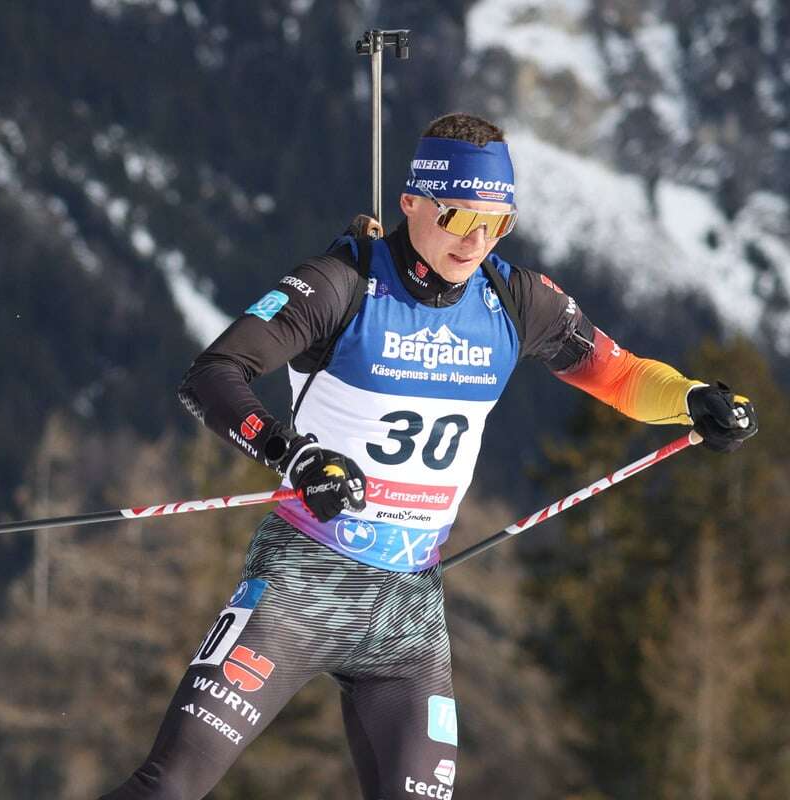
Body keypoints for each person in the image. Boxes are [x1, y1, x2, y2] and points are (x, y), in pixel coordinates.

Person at [100, 113, 758, 799]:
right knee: (168, 787)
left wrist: (693, 398)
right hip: (302, 584)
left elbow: (620, 375)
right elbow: (213, 374)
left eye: (496, 222)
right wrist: (291, 455)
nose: (476, 241)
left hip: (408, 611)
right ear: (411, 202)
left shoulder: (514, 300)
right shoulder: (339, 284)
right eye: (458, 216)